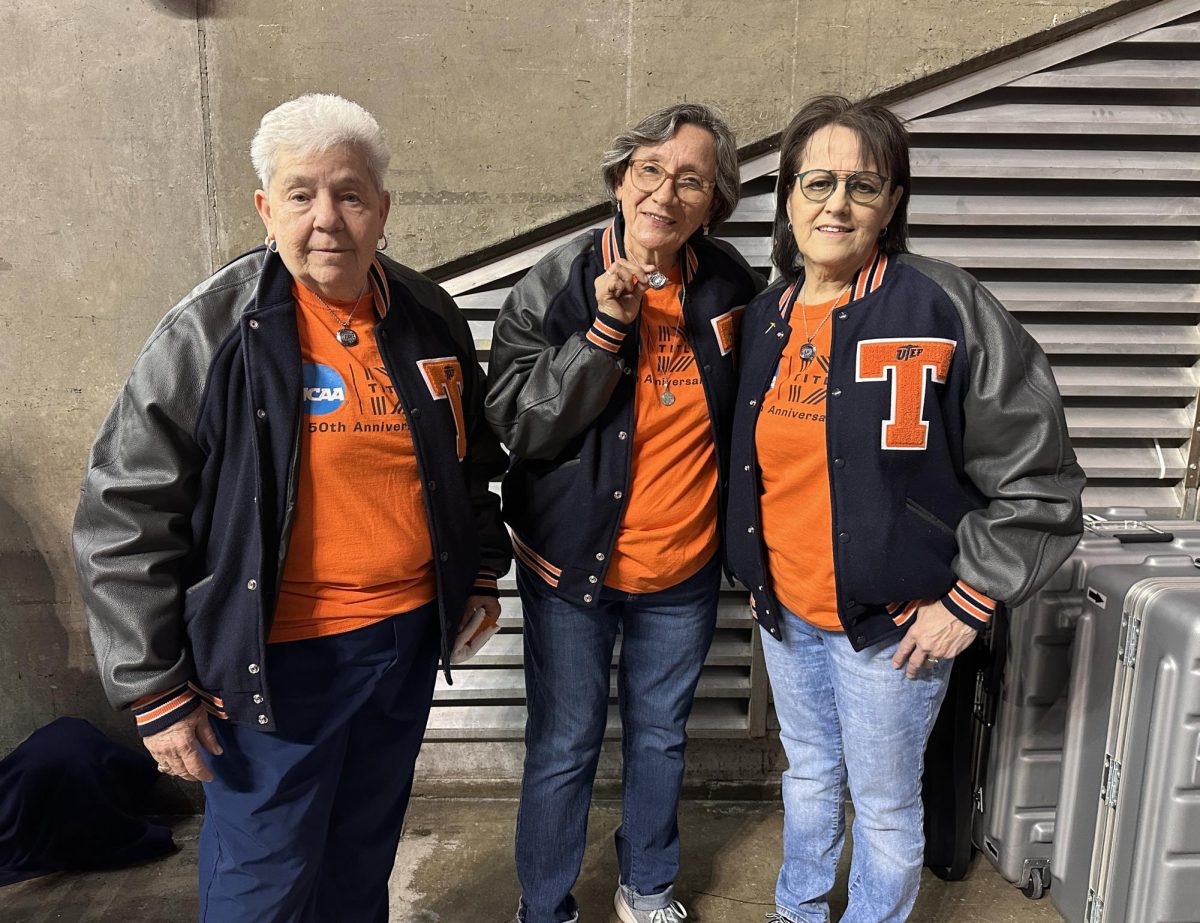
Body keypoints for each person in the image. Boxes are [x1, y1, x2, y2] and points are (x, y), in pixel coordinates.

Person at [73, 93, 511, 922]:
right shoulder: (210, 331)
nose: (327, 219)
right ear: (265, 207)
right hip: (272, 662)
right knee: (263, 878)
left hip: (403, 645)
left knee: (360, 856)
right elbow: (123, 509)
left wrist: (479, 572)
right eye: (301, 194)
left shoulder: (427, 316)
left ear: (382, 208)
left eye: (349, 194)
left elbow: (468, 464)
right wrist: (154, 686)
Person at [724, 95, 1085, 923]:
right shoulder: (767, 316)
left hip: (892, 626)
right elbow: (760, 467)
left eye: (863, 183)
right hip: (789, 614)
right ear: (786, 196)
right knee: (809, 774)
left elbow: (1043, 474)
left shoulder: (943, 306)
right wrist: (756, 567)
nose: (836, 203)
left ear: (893, 201)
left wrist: (971, 598)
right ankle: (798, 909)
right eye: (817, 181)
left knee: (885, 807)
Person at [486, 102, 763, 923]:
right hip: (570, 564)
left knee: (660, 738)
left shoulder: (729, 286)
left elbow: (760, 417)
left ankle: (647, 887)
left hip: (680, 568)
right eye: (650, 172)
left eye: (691, 180)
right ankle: (543, 906)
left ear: (713, 202)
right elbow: (518, 419)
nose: (665, 194)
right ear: (618, 180)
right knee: (565, 746)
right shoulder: (556, 283)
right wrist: (606, 328)